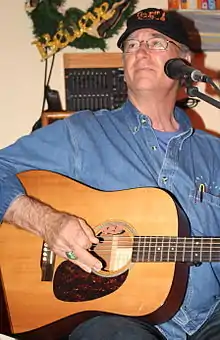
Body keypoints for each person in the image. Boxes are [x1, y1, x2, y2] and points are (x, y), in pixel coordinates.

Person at [1, 6, 220, 340]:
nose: (141, 50)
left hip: (208, 319)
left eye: (156, 42)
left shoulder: (215, 154)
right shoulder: (82, 133)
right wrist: (47, 221)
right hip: (111, 320)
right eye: (131, 45)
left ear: (185, 63)